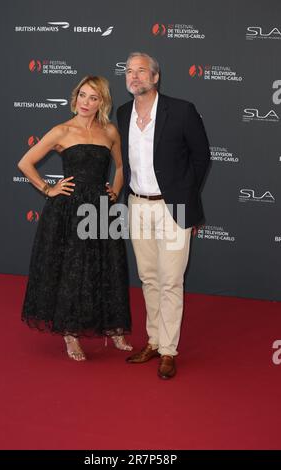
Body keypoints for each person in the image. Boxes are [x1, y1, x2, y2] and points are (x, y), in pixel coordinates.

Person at [18, 75, 132, 361]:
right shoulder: (61, 131)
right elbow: (25, 162)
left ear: (101, 102)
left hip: (101, 209)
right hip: (69, 210)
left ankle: (114, 329)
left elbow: (120, 167)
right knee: (73, 268)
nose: (86, 102)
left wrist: (115, 192)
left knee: (108, 265)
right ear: (75, 96)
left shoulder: (110, 132)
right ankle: (70, 334)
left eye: (93, 97)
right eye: (82, 95)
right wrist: (48, 188)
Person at [117, 52, 210, 379]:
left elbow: (202, 157)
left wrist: (184, 195)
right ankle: (154, 340)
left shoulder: (181, 111)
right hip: (137, 205)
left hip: (173, 206)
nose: (134, 76)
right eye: (129, 71)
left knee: (171, 280)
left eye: (141, 71)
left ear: (155, 77)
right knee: (149, 277)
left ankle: (169, 350)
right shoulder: (123, 112)